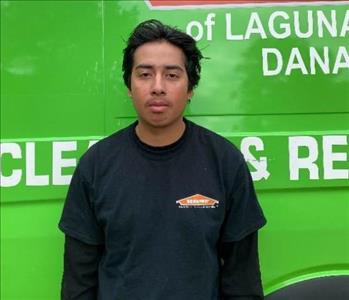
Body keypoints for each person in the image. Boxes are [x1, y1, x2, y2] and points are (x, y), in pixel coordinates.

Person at [59, 19, 267, 300]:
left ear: (190, 87)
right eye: (145, 74)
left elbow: (242, 282)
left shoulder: (225, 162)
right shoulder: (96, 166)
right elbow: (78, 283)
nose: (157, 87)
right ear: (129, 86)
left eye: (172, 75)